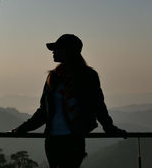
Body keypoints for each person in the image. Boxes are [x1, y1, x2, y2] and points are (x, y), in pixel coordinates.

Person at [11, 34, 127, 168]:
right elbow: (44, 111)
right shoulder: (53, 77)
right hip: (52, 141)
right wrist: (22, 129)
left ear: (70, 51)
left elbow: (98, 105)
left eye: (58, 48)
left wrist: (110, 128)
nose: (53, 52)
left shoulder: (88, 76)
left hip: (74, 140)